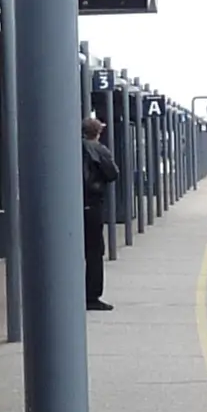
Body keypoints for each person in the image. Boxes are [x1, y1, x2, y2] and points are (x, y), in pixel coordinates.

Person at [81, 109, 121, 312]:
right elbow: (113, 173)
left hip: (74, 205)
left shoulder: (72, 147)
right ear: (97, 132)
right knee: (95, 251)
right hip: (92, 204)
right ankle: (92, 296)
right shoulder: (98, 149)